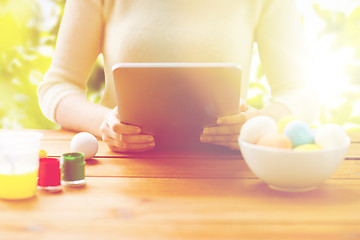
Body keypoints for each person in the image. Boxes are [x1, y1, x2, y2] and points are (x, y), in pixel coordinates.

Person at [37, 0, 318, 152]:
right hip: (123, 173)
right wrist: (104, 124)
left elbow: (302, 90)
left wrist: (262, 122)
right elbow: (57, 86)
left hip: (227, 174)